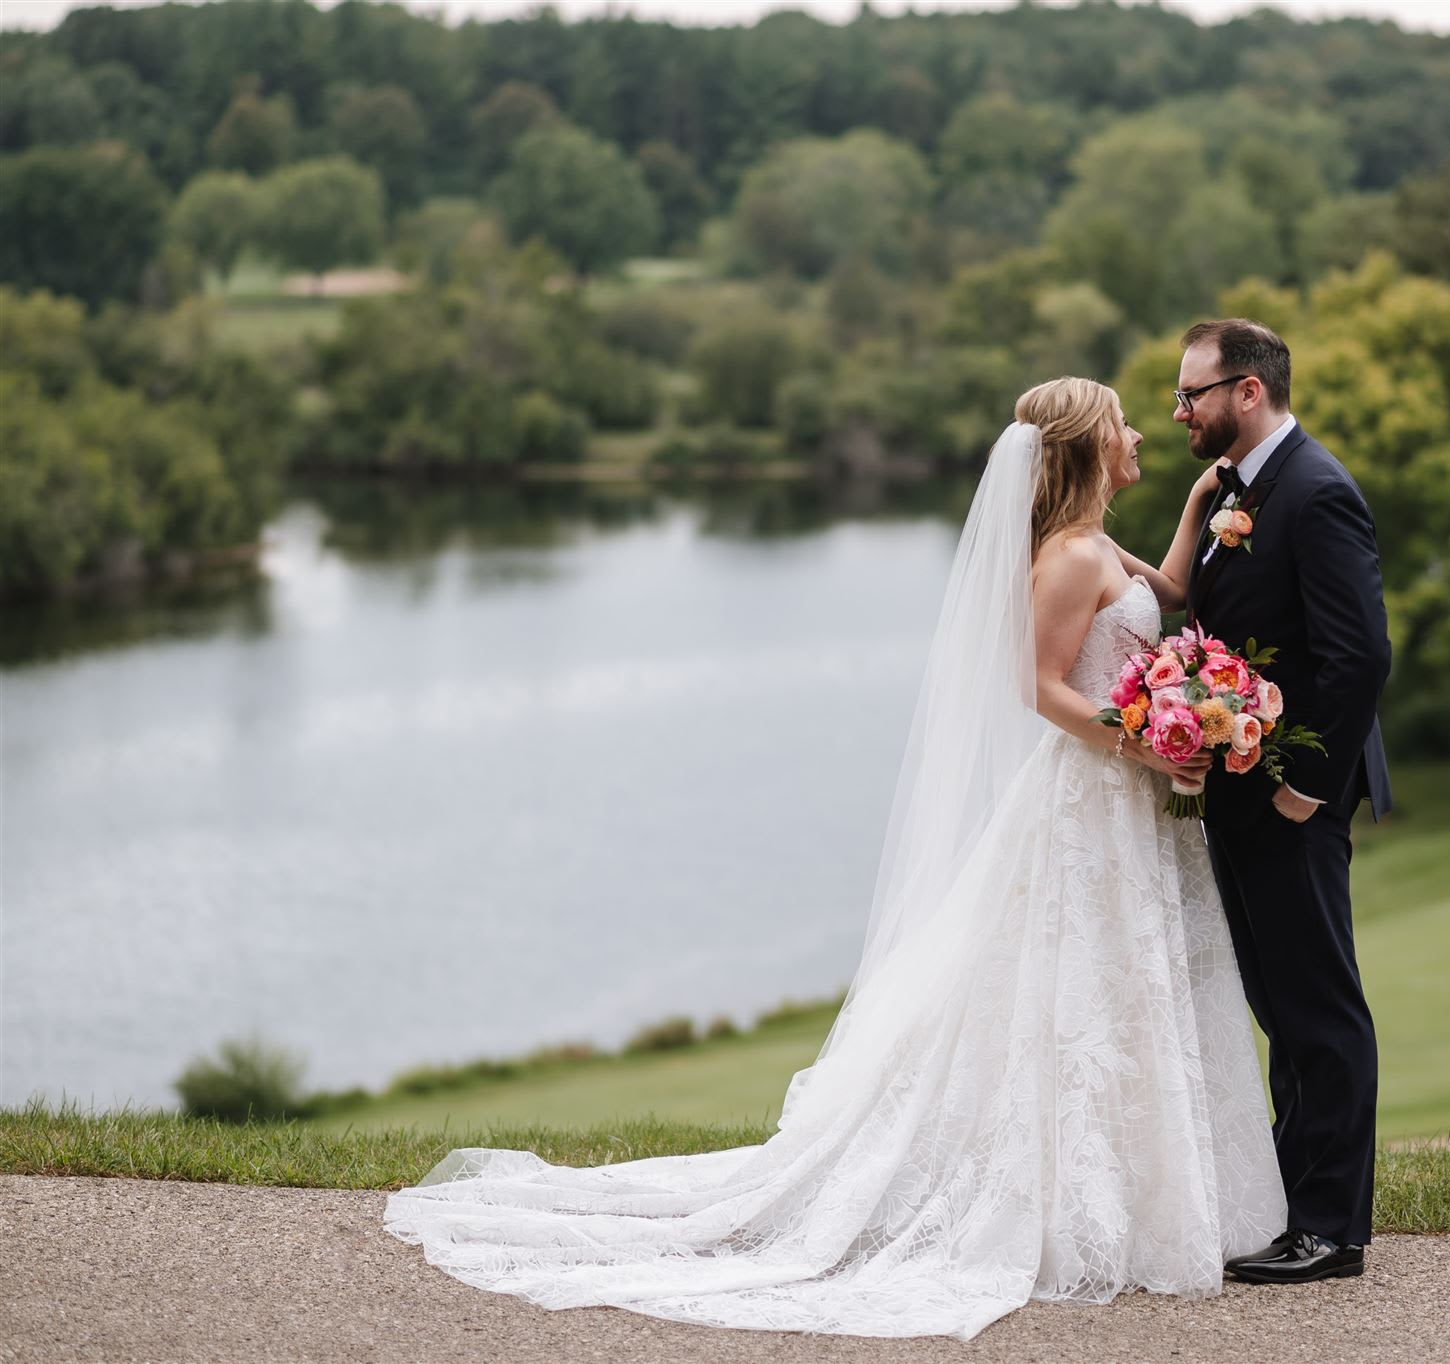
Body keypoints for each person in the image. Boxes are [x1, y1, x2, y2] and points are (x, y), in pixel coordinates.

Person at [383, 377, 1286, 1341]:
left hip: (1131, 801)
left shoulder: (1097, 541)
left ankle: (1145, 1196)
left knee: (1125, 985)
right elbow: (1036, 686)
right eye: (1121, 425)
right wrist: (1139, 742)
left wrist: (1198, 507)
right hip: (1092, 796)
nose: (1139, 433)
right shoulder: (1067, 557)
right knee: (1073, 990)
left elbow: (1171, 595)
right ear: (1085, 445)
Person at [1174, 318, 1393, 1285]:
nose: (1180, 411)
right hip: (1241, 792)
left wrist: (1309, 787)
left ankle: (1333, 1231)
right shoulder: (1237, 489)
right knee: (1279, 1003)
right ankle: (1296, 1207)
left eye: (1191, 394)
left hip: (1292, 795)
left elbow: (1361, 658)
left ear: (1248, 392)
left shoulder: (1316, 491)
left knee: (1319, 1005)